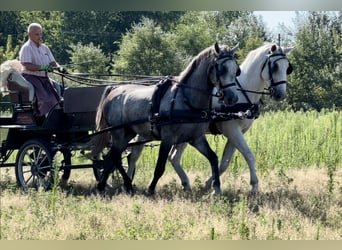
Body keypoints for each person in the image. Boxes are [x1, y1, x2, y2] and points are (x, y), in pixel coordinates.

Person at [19, 22, 66, 124]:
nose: (39, 36)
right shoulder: (26, 48)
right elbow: (27, 65)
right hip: (31, 77)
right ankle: (43, 121)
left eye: (40, 34)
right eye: (36, 34)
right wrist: (44, 67)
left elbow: (53, 62)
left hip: (44, 78)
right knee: (46, 99)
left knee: (57, 97)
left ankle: (57, 121)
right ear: (29, 34)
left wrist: (59, 68)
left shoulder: (45, 48)